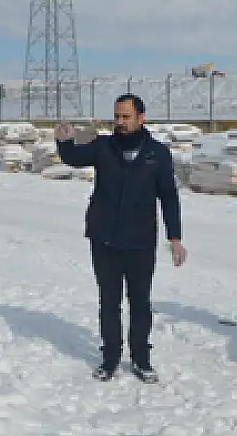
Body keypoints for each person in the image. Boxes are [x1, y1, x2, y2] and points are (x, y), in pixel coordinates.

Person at [54, 93, 186, 383]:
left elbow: (169, 197)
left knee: (140, 303)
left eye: (126, 117)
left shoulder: (158, 154)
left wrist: (174, 237)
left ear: (141, 118)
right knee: (109, 302)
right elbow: (75, 158)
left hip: (140, 242)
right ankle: (110, 359)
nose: (120, 122)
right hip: (105, 239)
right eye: (117, 116)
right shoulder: (103, 147)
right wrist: (63, 141)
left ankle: (141, 360)